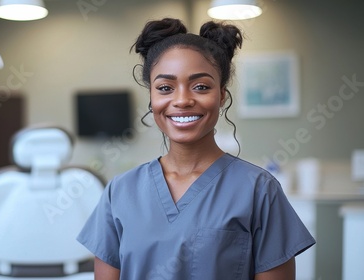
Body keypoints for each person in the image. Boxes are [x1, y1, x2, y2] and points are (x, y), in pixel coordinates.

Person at [77, 18, 315, 280]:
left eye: (201, 86)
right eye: (165, 88)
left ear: (222, 95)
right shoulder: (120, 192)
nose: (182, 100)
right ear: (152, 98)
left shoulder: (259, 190)